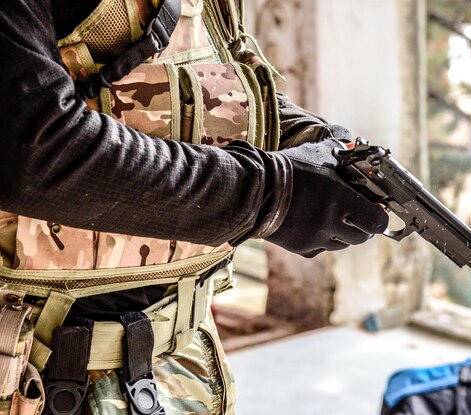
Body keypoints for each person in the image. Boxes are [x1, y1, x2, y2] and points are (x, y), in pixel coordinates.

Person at [0, 0, 388, 414]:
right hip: (33, 371)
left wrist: (312, 142)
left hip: (182, 356)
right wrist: (271, 196)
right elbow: (34, 148)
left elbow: (217, 75)